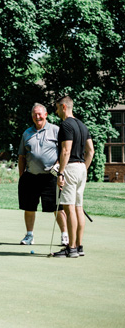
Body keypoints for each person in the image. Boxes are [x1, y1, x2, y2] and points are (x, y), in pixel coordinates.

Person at [17, 103, 68, 246]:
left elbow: (64, 151)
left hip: (51, 176)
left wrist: (59, 169)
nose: (37, 116)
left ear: (45, 115)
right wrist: (22, 176)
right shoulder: (27, 133)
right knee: (29, 207)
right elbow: (21, 156)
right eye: (34, 114)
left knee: (57, 207)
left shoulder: (56, 130)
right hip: (31, 176)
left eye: (39, 114)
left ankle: (65, 235)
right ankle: (29, 236)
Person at [51, 95, 94, 258]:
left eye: (56, 108)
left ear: (63, 107)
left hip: (70, 168)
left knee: (69, 209)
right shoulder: (82, 125)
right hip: (81, 168)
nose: (56, 111)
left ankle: (71, 248)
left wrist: (61, 172)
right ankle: (79, 246)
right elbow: (91, 151)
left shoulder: (66, 125)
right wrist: (84, 168)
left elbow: (66, 150)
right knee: (78, 208)